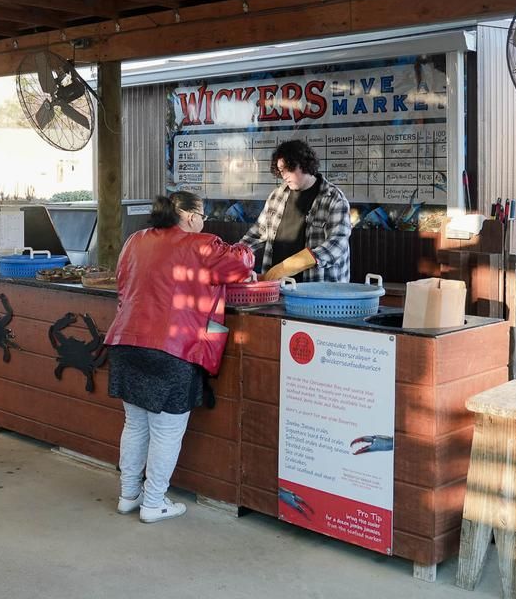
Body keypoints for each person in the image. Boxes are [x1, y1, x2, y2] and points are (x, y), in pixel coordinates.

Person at [105, 191, 254, 523]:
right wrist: (246, 247)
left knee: (135, 424)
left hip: (125, 342)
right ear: (189, 216)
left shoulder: (135, 240)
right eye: (202, 214)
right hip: (172, 348)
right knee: (166, 431)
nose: (203, 221)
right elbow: (241, 263)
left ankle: (129, 495)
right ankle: (154, 503)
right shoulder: (202, 244)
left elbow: (121, 283)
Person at [242, 139, 351, 282]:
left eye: (290, 168)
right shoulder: (277, 196)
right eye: (281, 171)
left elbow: (337, 245)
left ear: (305, 164)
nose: (284, 175)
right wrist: (232, 255)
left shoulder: (334, 199)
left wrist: (289, 266)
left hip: (319, 293)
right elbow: (256, 234)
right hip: (276, 288)